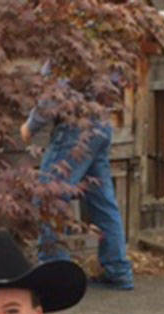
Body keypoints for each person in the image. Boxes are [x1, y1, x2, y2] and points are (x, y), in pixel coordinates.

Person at [22, 69, 134, 291]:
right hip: (102, 124)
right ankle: (118, 271)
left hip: (74, 130)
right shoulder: (102, 38)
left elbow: (55, 94)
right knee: (102, 201)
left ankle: (57, 274)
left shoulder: (67, 46)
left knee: (48, 197)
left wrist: (30, 126)